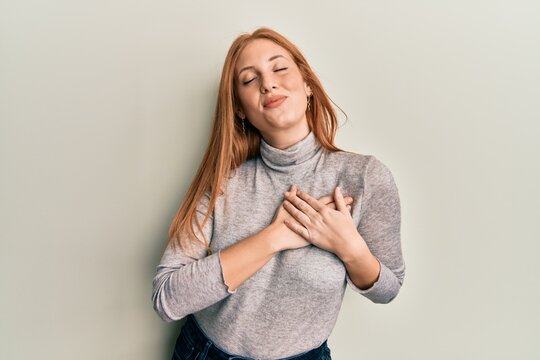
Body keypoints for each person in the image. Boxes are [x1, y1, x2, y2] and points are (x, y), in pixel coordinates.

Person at [152, 27, 405, 360]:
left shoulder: (365, 178)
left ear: (308, 85)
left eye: (280, 68)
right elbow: (167, 298)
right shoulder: (223, 182)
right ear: (240, 108)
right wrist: (274, 238)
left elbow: (389, 288)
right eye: (248, 80)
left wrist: (350, 247)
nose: (268, 83)